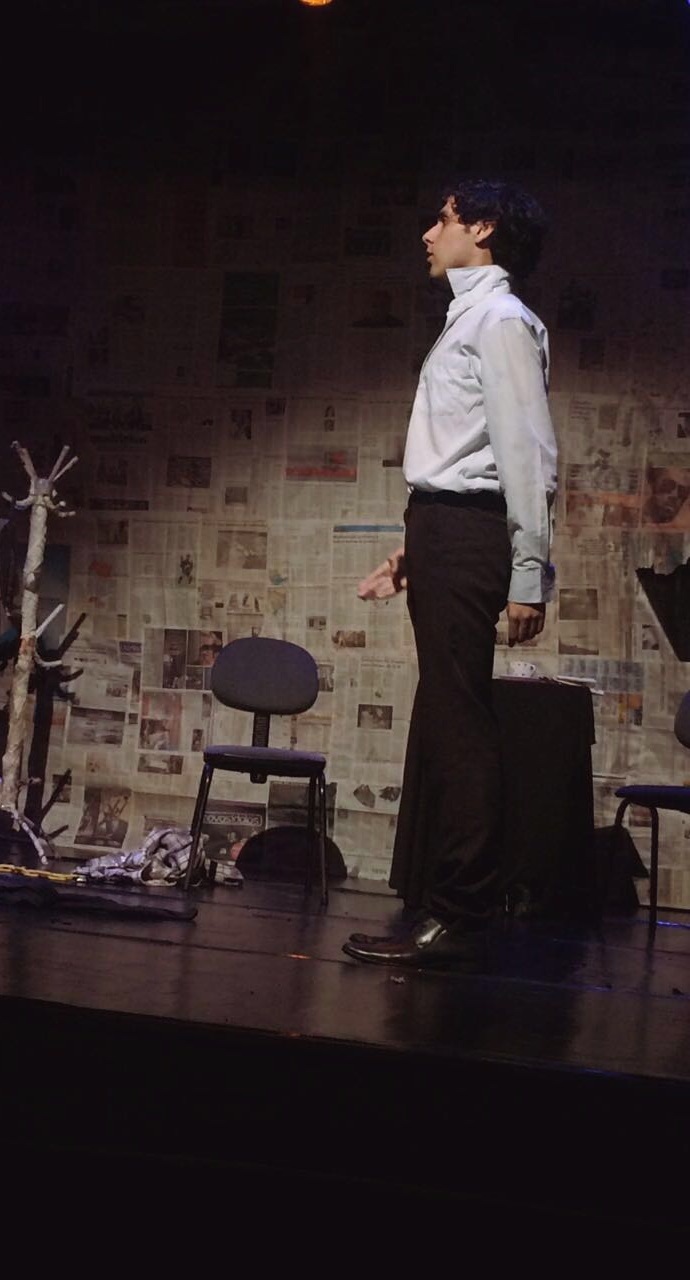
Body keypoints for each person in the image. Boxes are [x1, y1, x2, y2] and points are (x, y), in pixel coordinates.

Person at [343, 178, 558, 971]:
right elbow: (464, 453)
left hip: (465, 533)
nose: (428, 235)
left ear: (484, 228)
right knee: (446, 715)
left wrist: (529, 572)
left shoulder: (500, 321)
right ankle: (448, 905)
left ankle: (462, 914)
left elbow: (526, 453)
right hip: (443, 531)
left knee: (459, 720)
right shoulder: (470, 318)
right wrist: (414, 553)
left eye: (443, 219)